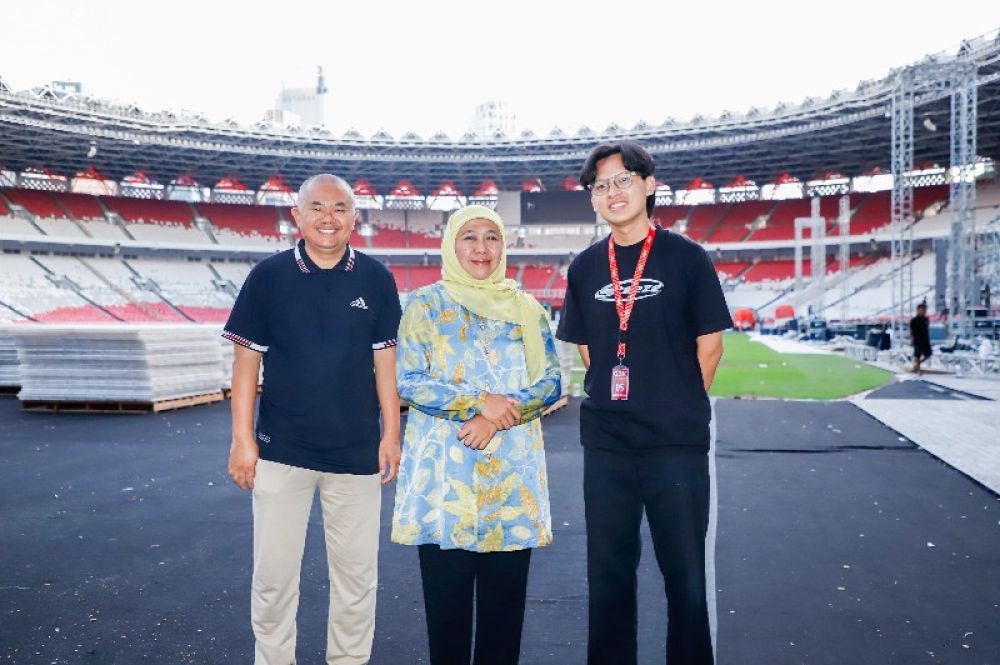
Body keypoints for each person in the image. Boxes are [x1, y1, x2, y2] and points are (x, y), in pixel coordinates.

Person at [556, 141, 732, 665]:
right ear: (592, 198)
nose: (613, 192)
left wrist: (672, 403)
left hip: (673, 443)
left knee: (684, 575)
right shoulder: (586, 267)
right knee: (608, 574)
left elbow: (711, 345)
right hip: (608, 443)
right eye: (601, 185)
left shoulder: (686, 258)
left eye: (623, 180)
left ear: (649, 185)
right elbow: (589, 348)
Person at [224, 174, 402, 665]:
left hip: (357, 454)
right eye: (317, 208)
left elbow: (385, 365)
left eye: (340, 208)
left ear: (354, 218)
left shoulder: (377, 278)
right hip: (282, 451)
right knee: (274, 578)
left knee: (356, 581)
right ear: (297, 216)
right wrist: (242, 440)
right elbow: (246, 364)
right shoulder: (268, 276)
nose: (329, 218)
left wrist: (391, 435)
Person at [391, 205, 562, 665]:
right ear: (451, 244)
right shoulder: (426, 304)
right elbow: (408, 379)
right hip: (445, 483)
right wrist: (477, 401)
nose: (482, 248)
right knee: (446, 624)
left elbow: (550, 383)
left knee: (503, 626)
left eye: (492, 237)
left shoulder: (527, 309)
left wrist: (494, 416)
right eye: (470, 237)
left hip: (512, 482)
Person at [910, 303, 932, 375]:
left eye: (925, 310)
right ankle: (918, 369)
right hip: (917, 339)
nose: (924, 311)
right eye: (922, 310)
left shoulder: (926, 319)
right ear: (918, 310)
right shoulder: (914, 320)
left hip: (925, 339)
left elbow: (926, 329)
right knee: (917, 355)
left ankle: (916, 365)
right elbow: (911, 330)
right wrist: (912, 339)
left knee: (928, 354)